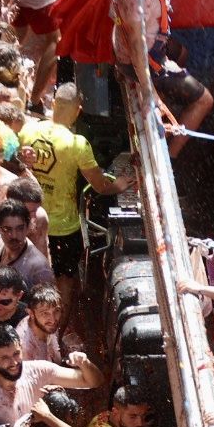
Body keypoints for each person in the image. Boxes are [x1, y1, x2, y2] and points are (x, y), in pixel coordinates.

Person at [18, 85, 135, 304]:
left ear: (53, 103)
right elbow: (100, 186)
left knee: (28, 273)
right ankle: (57, 334)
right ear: (79, 110)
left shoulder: (27, 131)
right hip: (63, 227)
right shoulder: (77, 144)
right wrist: (117, 186)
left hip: (28, 220)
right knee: (65, 278)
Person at [109, 0, 214, 133]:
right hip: (136, 60)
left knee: (182, 52)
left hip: (155, 42)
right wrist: (149, 92)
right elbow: (136, 45)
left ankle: (166, 89)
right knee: (205, 100)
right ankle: (174, 152)